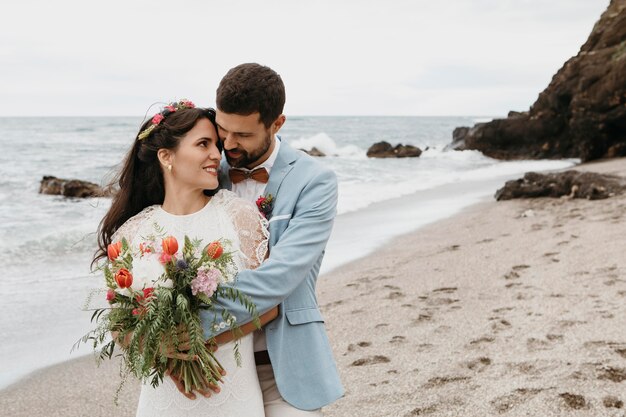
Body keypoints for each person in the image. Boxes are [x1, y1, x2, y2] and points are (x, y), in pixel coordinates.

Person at [94, 101, 276, 416]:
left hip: (232, 395)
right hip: (164, 399)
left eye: (216, 145)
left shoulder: (240, 217)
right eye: (203, 144)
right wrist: (160, 349)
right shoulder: (132, 233)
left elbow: (269, 305)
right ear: (166, 156)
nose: (216, 154)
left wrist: (198, 342)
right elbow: (119, 325)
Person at [197, 63, 344, 416]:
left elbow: (281, 275)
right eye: (223, 129)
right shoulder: (204, 171)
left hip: (282, 368)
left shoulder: (315, 181)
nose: (228, 144)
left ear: (277, 124)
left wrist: (192, 323)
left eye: (243, 135)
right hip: (214, 367)